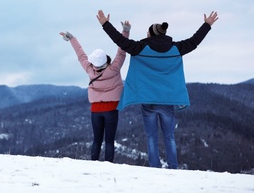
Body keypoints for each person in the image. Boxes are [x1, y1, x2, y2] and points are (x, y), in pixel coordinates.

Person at [96, 10, 219, 169]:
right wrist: (207, 25)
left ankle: (155, 169)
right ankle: (173, 168)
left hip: (149, 101)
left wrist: (105, 24)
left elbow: (119, 40)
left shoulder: (139, 48)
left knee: (152, 137)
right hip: (167, 101)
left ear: (151, 35)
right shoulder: (176, 48)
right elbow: (195, 41)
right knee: (170, 137)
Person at [59, 21, 131, 162]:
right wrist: (125, 31)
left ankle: (93, 164)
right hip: (111, 109)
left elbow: (81, 55)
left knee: (96, 140)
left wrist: (72, 39)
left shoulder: (90, 70)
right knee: (109, 141)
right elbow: (122, 50)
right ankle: (108, 165)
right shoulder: (114, 68)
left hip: (96, 110)